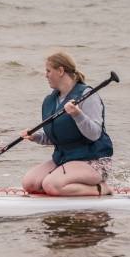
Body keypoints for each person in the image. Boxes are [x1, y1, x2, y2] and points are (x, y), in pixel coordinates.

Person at [20, 52, 115, 196]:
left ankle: (102, 188)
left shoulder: (88, 96)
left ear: (60, 71)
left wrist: (77, 114)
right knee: (30, 184)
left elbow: (95, 134)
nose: (45, 75)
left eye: (48, 71)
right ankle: (66, 188)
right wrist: (36, 136)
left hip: (94, 160)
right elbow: (59, 136)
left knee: (50, 185)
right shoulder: (50, 100)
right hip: (66, 158)